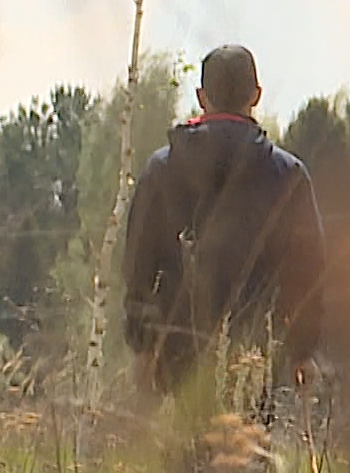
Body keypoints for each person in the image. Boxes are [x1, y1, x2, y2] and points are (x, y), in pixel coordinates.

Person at [122, 44, 325, 418]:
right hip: (256, 363)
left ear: (201, 97)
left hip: (178, 361)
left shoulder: (161, 172)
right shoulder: (288, 176)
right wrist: (302, 350)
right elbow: (308, 273)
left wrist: (143, 346)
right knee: (249, 465)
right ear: (256, 95)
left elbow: (139, 266)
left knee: (186, 466)